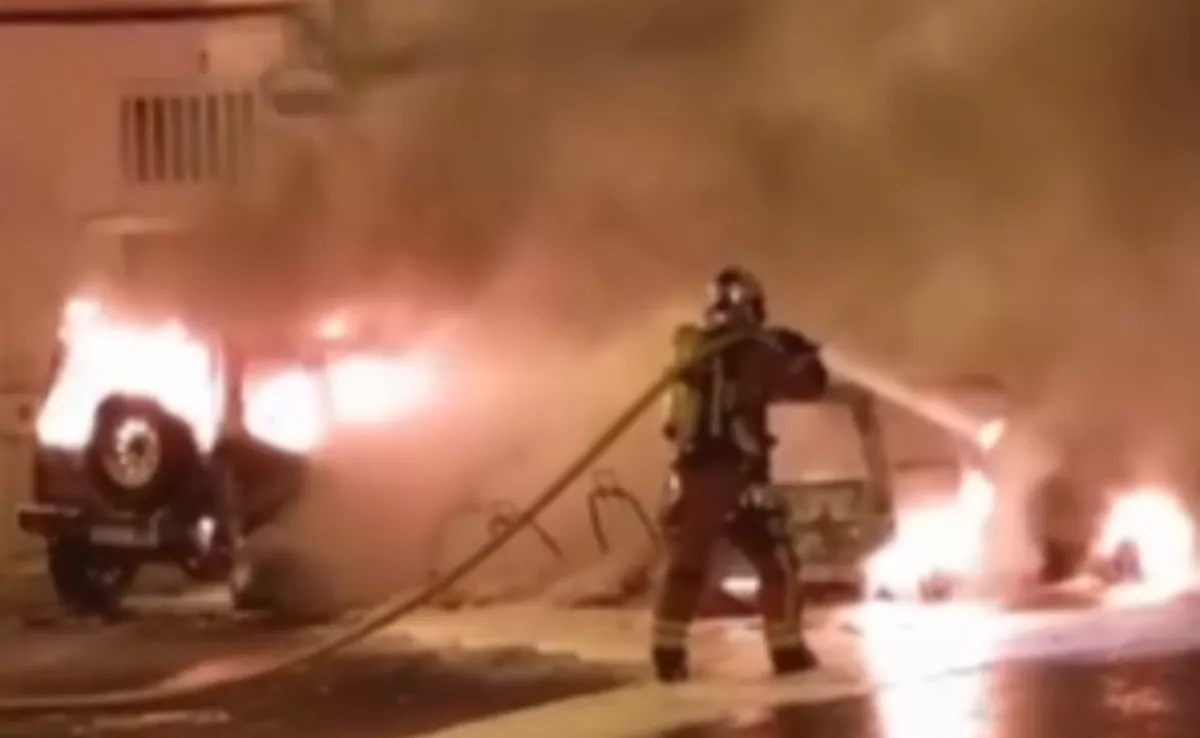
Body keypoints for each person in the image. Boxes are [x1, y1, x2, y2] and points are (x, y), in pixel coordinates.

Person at [654, 266, 830, 682]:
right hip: (737, 477)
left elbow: (672, 425)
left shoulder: (692, 353)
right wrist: (800, 353)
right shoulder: (755, 350)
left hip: (690, 478)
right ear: (751, 306)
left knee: (686, 566)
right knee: (776, 563)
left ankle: (667, 653)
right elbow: (808, 386)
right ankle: (788, 651)